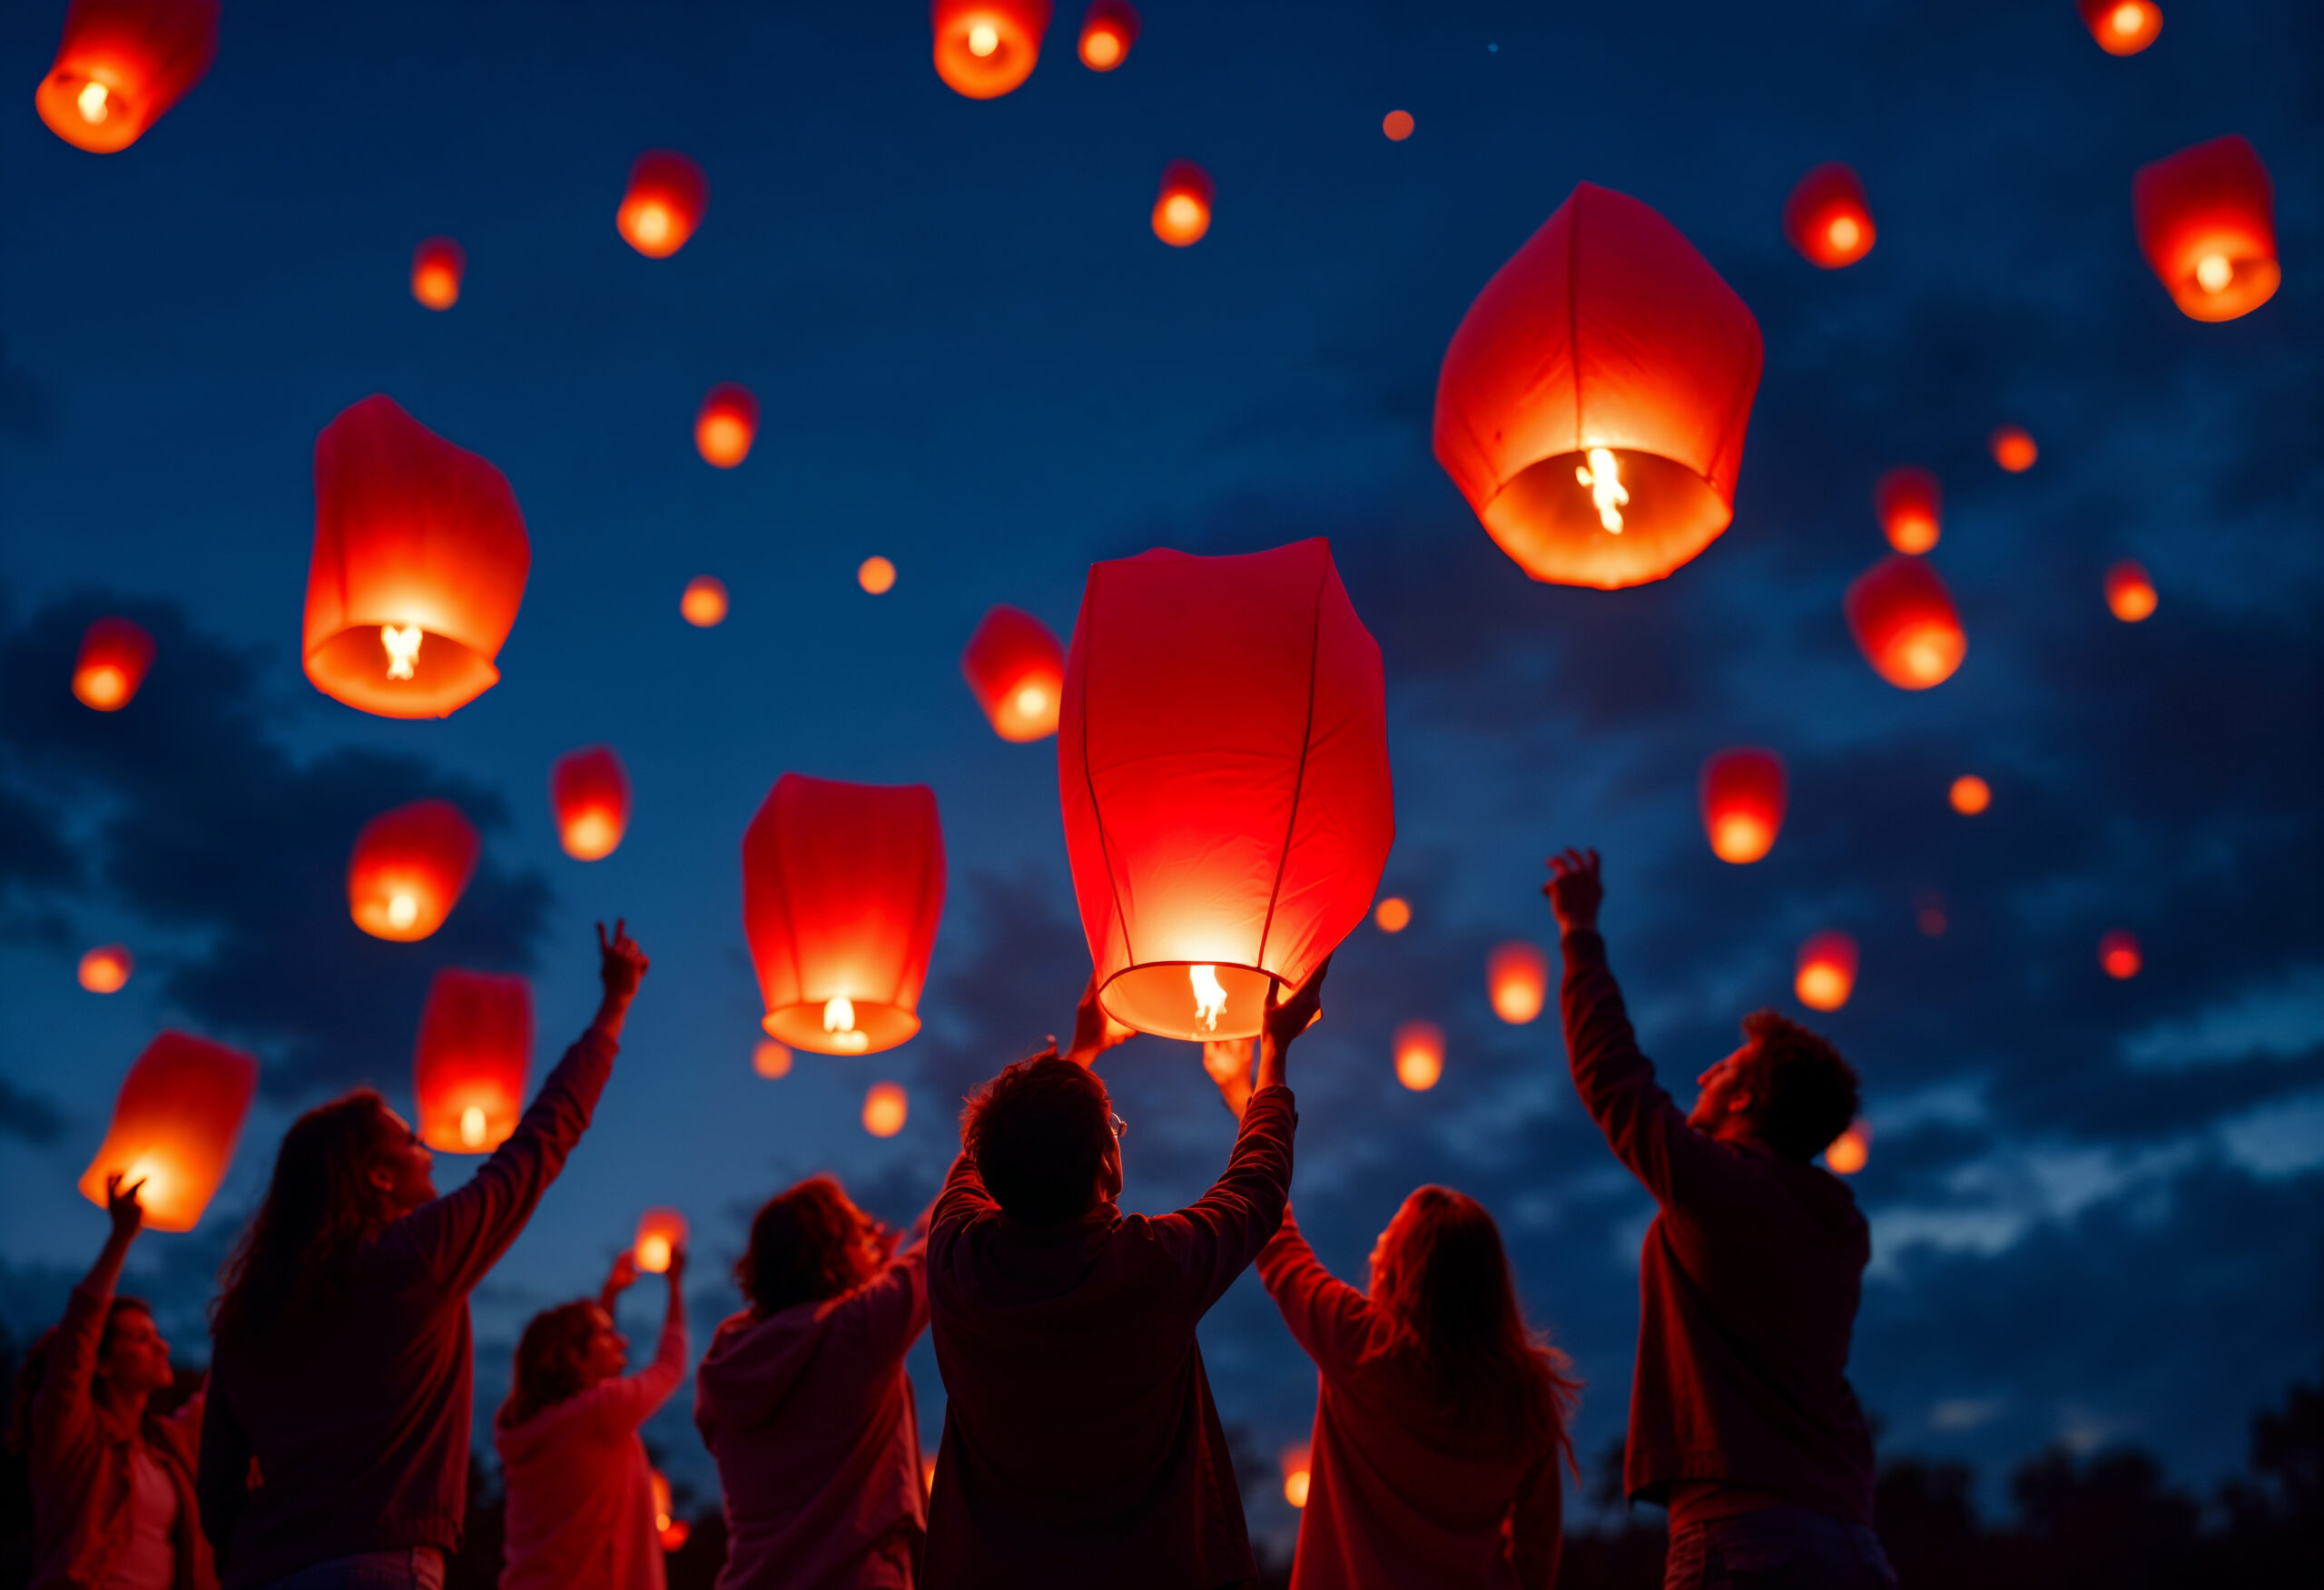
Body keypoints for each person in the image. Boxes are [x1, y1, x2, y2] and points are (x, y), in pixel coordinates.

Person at [197, 922, 651, 1590]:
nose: (428, 1150)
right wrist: (612, 1012)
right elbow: (538, 1144)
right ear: (378, 1176)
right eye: (410, 1140)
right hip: (379, 1564)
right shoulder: (413, 1257)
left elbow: (217, 1486)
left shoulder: (247, 1314)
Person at [1543, 849, 1892, 1589]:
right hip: (1852, 1546)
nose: (1703, 1074)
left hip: (1747, 1543)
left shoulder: (1728, 1193)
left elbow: (1614, 1078)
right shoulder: (1836, 1226)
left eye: (1726, 1067)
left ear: (1744, 1102)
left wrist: (1579, 930)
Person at [919, 960, 1327, 1590]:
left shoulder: (953, 1261)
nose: (1118, 1134)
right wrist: (1273, 1051)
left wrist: (1079, 1054)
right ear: (1105, 1164)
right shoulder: (1150, 1269)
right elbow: (1257, 1187)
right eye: (1111, 1126)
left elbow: (973, 1166)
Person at [1219, 1024, 1578, 1590]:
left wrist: (1245, 1089)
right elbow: (1536, 1563)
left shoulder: (1364, 1345)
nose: (1373, 1250)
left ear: (1401, 1272)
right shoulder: (1525, 1399)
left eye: (1385, 1243)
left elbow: (1274, 1236)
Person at [694, 1175, 934, 1588]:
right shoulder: (858, 1330)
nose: (875, 1246)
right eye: (862, 1236)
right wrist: (979, 1143)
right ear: (832, 1253)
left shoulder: (720, 1367)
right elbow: (938, 1241)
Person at [12, 1173, 217, 1590]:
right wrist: (122, 1237)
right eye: (141, 1338)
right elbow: (80, 1333)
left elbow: (221, 1389)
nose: (162, 1347)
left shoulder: (167, 1446)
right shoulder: (72, 1438)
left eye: (156, 1335)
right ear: (102, 1365)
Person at [495, 1242, 689, 1590]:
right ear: (573, 1355)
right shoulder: (599, 1413)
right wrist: (674, 1285)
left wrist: (610, 1293)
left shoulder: (533, 1424)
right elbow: (671, 1366)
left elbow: (590, 1372)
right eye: (608, 1334)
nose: (623, 1342)